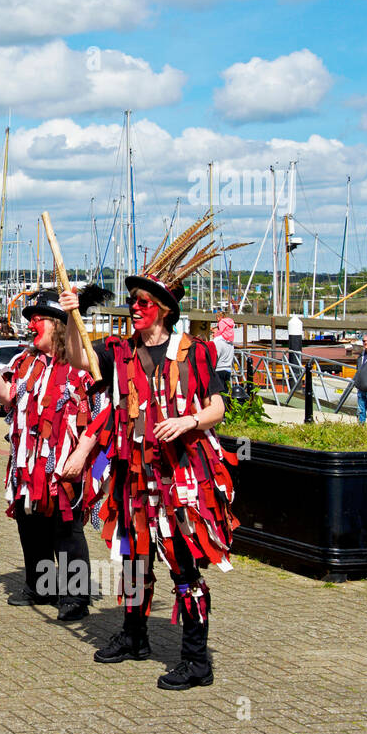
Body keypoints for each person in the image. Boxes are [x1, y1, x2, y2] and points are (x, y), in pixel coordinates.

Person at [59, 216, 236, 691]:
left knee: (183, 563)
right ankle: (134, 636)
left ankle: (197, 662)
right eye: (132, 302)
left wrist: (188, 421)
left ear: (161, 309)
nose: (133, 309)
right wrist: (71, 316)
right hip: (133, 475)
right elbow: (79, 360)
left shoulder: (194, 353)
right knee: (135, 558)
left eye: (141, 303)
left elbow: (218, 406)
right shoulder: (119, 351)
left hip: (179, 477)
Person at [0, 287, 106, 622]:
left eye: (38, 319)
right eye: (31, 319)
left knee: (65, 527)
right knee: (30, 523)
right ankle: (40, 587)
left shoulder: (82, 367)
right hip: (26, 463)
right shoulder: (25, 362)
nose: (31, 324)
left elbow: (100, 416)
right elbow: (4, 396)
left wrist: (81, 455)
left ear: (58, 325)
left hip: (64, 462)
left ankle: (75, 596)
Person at [212, 316, 235, 394]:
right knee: (225, 393)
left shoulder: (218, 341)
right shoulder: (230, 342)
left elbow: (215, 356)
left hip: (219, 369)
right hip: (228, 369)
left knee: (218, 394)